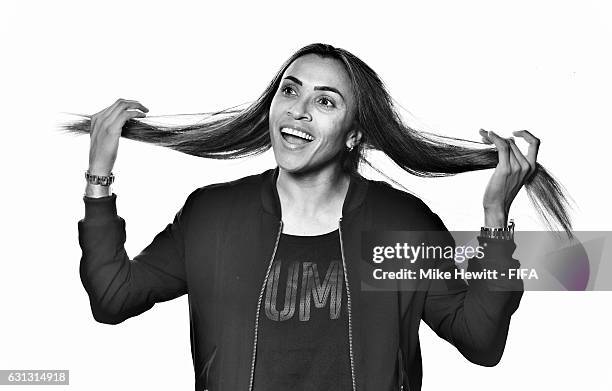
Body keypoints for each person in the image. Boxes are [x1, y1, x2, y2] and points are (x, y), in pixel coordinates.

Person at [69, 43, 573, 391]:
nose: (298, 111)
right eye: (290, 91)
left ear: (354, 134)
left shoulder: (399, 224)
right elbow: (112, 299)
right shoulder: (213, 216)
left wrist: (493, 217)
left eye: (325, 101)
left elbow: (481, 340)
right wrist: (99, 176)